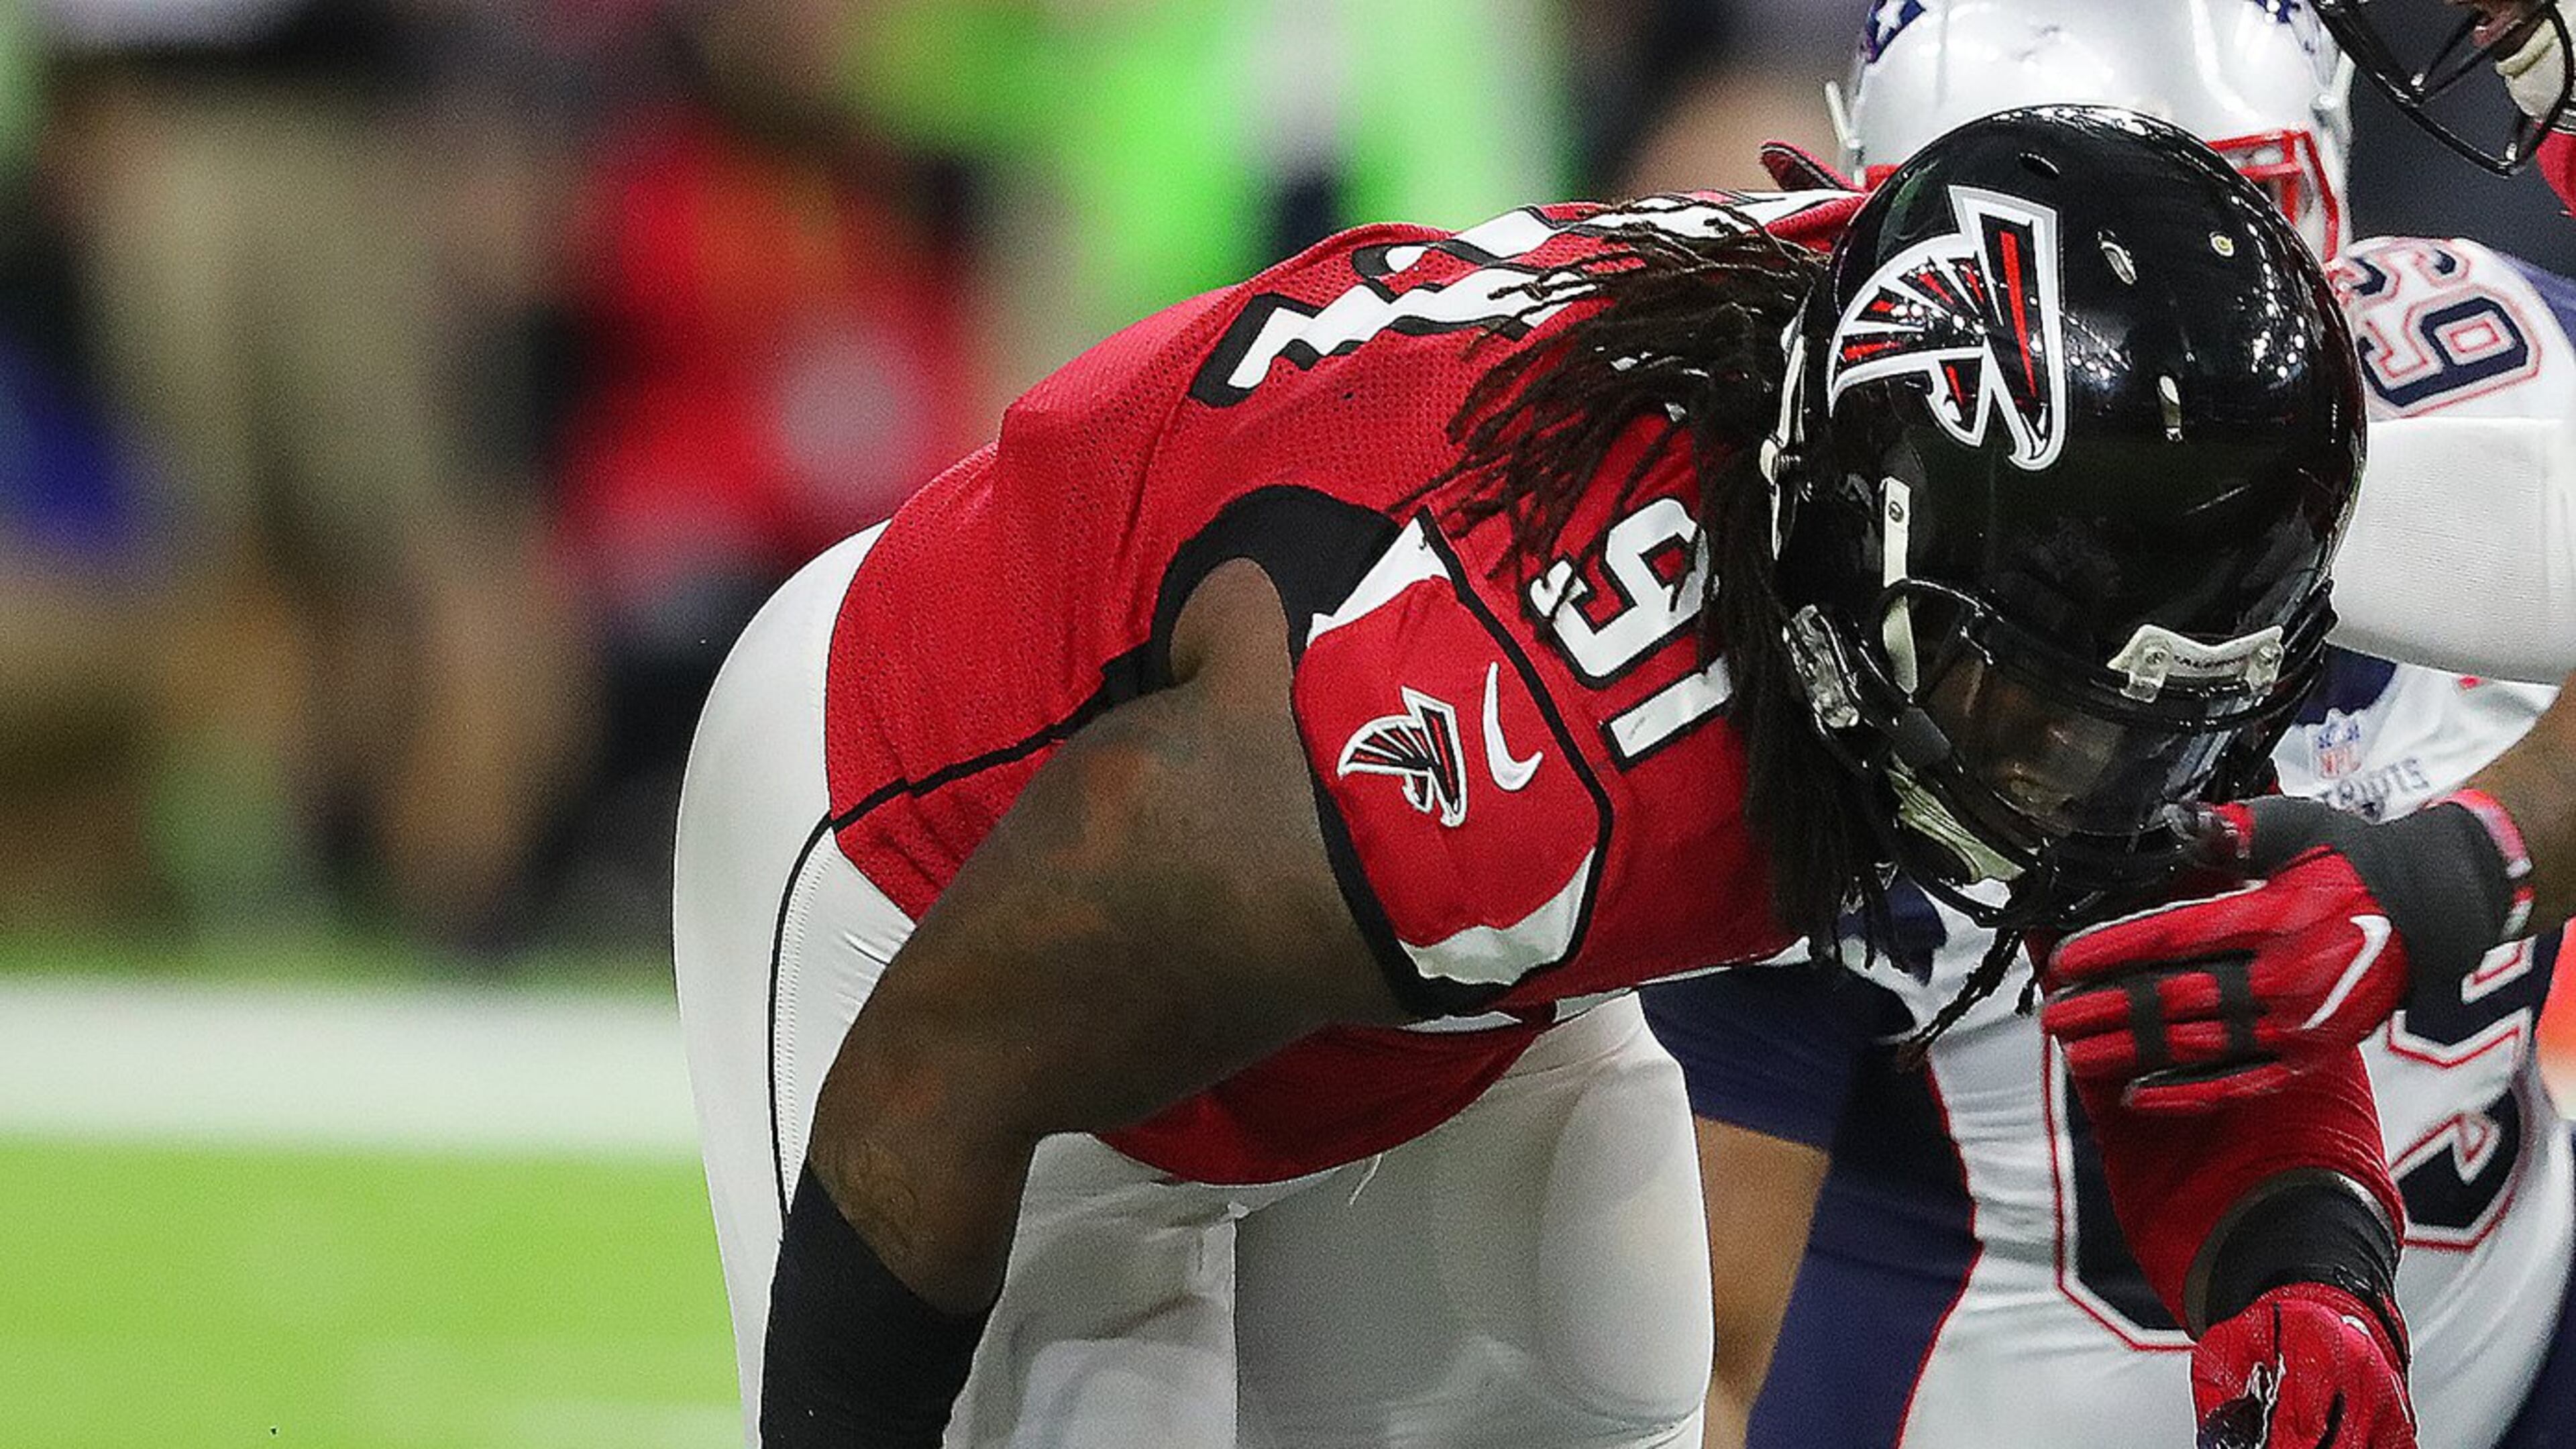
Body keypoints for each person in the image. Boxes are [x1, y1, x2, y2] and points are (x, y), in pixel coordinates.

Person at [673, 106, 2394, 1448]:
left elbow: (2173, 885)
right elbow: (938, 1079)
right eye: (2043, 707)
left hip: (1401, 940)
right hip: (937, 841)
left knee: (1600, 1390)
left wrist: (2304, 1254)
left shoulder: (1915, 457)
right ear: (1869, 546)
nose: (2088, 785)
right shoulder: (1522, 748)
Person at [1645, 12, 2576, 1449]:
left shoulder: (2510, 380)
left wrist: (2469, 866)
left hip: (2516, 1345)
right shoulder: (1802, 640)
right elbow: (1686, 1364)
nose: (2151, 394)